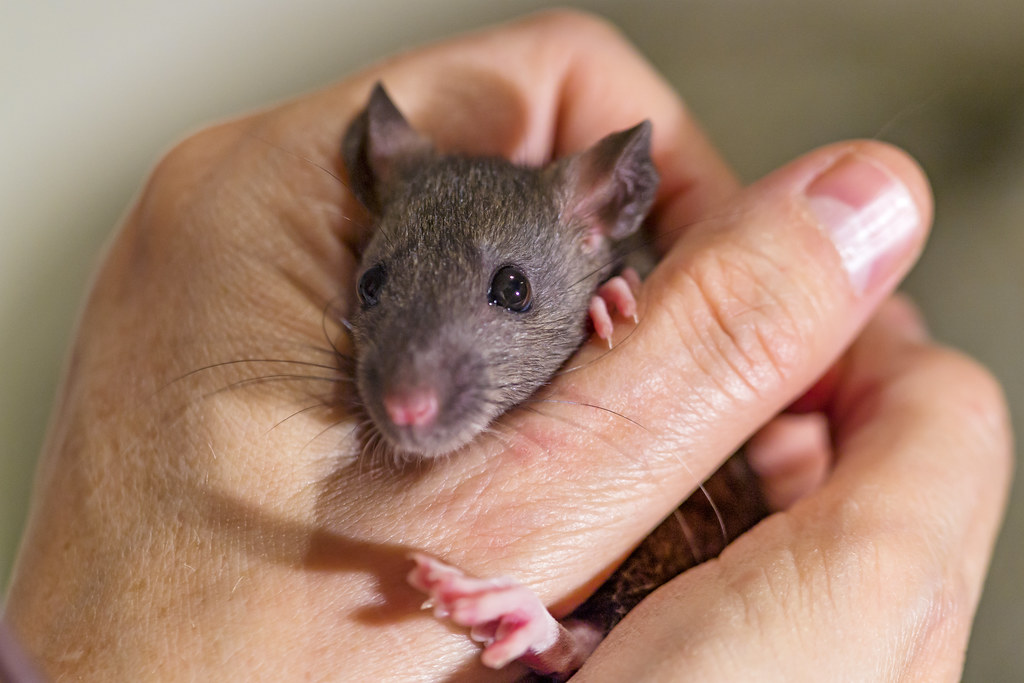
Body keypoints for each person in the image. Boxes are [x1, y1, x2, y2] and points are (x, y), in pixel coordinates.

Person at [2, 10, 1011, 681]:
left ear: (604, 219)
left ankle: (573, 638)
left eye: (511, 290)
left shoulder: (607, 272)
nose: (406, 392)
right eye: (378, 288)